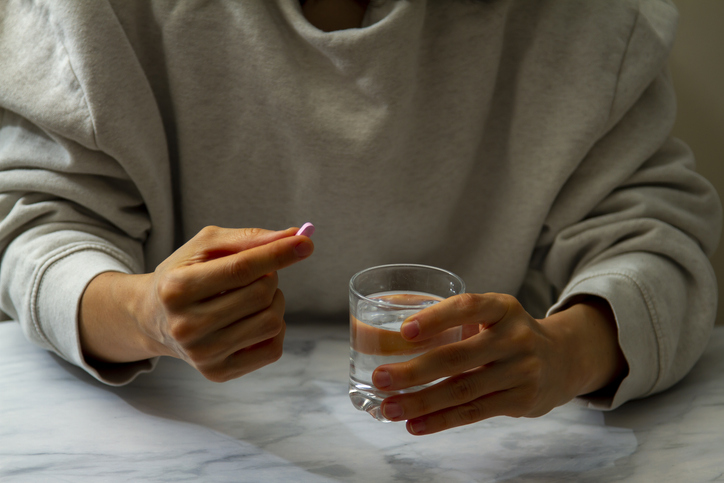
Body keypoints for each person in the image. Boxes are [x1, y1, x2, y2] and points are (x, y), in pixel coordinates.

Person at [0, 0, 720, 436]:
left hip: (496, 444)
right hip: (168, 433)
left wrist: (566, 351)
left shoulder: (582, 25)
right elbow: (39, 226)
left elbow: (659, 240)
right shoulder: (96, 16)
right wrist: (140, 312)